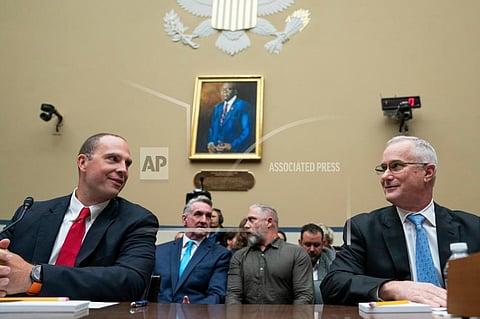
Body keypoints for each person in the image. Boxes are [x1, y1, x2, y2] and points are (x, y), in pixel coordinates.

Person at [321, 136, 480, 307]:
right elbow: (334, 284)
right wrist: (389, 288)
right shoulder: (364, 228)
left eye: (396, 166)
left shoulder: (472, 227)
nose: (385, 177)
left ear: (428, 172)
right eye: (383, 168)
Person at [0, 133, 159, 301]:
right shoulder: (30, 213)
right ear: (83, 162)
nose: (123, 170)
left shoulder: (137, 220)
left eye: (127, 163)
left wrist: (36, 275)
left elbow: (131, 282)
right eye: (113, 159)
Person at [226, 204, 313, 304]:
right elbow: (233, 296)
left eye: (252, 220)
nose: (246, 225)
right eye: (247, 221)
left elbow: (304, 297)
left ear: (269, 222)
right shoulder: (239, 257)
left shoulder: (297, 254)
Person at [154, 195, 231, 304]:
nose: (204, 220)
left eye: (208, 216)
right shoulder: (160, 251)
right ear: (184, 219)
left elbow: (217, 295)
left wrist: (195, 310)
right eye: (198, 214)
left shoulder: (220, 255)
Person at [207, 82, 253, 153]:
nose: (225, 91)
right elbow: (212, 129)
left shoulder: (243, 106)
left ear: (235, 92)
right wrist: (211, 142)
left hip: (234, 153)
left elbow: (247, 132)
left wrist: (232, 145)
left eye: (229, 89)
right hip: (216, 152)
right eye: (223, 89)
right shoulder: (218, 108)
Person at [298, 223, 335, 304]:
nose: (312, 249)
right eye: (307, 245)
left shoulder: (332, 262)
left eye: (316, 245)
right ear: (300, 243)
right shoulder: (291, 261)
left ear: (323, 244)